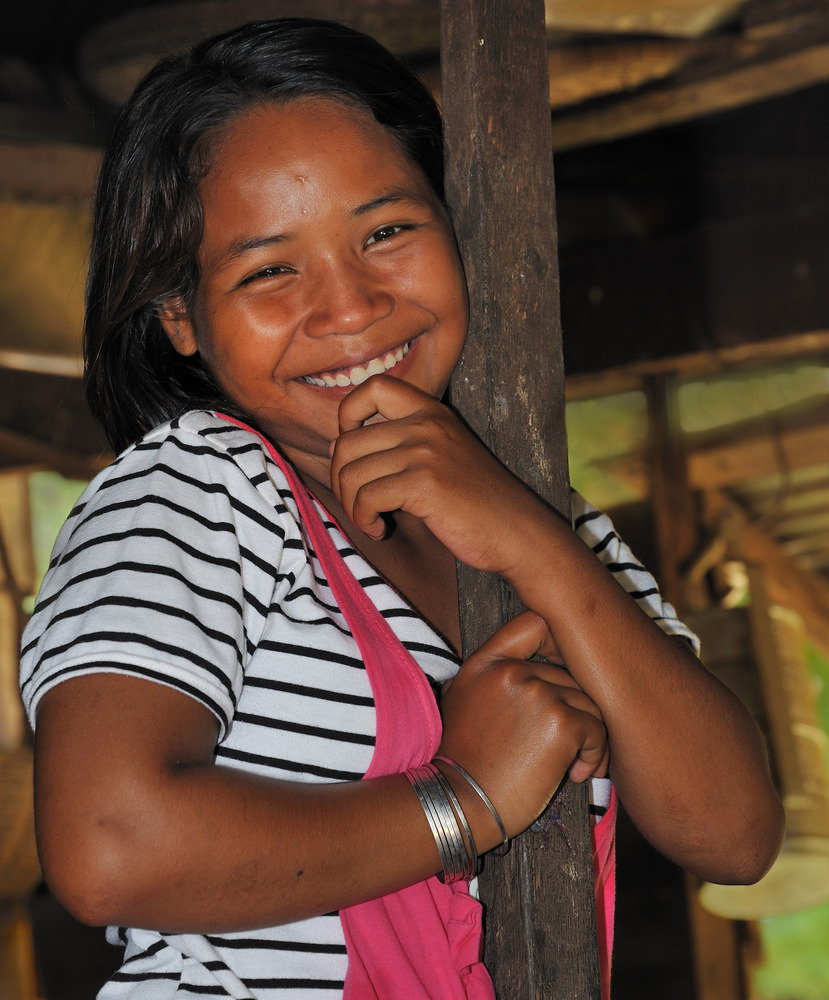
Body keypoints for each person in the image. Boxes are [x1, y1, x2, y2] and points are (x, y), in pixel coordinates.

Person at [20, 17, 783, 1000]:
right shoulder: (198, 489)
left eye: (386, 231)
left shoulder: (534, 502)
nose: (349, 307)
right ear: (179, 313)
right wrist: (461, 798)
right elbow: (107, 845)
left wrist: (532, 544)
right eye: (267, 270)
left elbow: (733, 831)